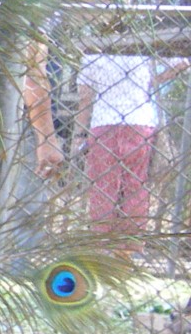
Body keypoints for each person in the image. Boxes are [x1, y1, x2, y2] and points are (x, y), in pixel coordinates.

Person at [77, 50, 191, 239]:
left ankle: (100, 242)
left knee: (103, 187)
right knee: (136, 186)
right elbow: (182, 62)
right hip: (139, 124)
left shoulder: (93, 53)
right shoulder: (142, 49)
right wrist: (152, 81)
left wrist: (80, 134)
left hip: (104, 124)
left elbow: (84, 97)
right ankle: (130, 245)